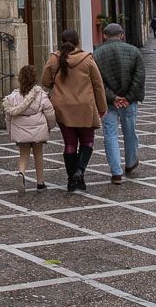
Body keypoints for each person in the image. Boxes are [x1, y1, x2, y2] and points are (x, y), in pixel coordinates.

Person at [42, 29, 108, 192]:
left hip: (63, 108)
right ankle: (80, 172)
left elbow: (45, 81)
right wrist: (102, 107)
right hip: (84, 106)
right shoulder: (87, 59)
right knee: (87, 142)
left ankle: (72, 180)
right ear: (78, 42)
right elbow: (98, 85)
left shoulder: (54, 59)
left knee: (70, 144)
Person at [92, 23, 145, 185]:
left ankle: (116, 172)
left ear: (105, 36)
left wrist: (112, 97)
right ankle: (130, 163)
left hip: (108, 102)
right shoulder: (134, 51)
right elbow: (139, 77)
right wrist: (128, 97)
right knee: (130, 132)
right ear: (121, 35)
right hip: (129, 102)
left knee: (110, 134)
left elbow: (96, 81)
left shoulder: (97, 54)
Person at [2, 64, 55, 193]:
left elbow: (8, 117)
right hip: (38, 130)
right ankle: (40, 182)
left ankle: (21, 173)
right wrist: (50, 126)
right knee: (38, 154)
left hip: (20, 130)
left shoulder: (13, 97)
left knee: (23, 154)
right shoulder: (41, 95)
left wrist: (10, 131)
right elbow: (50, 113)